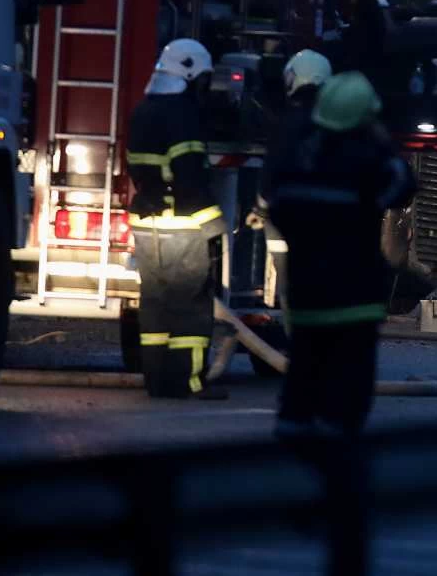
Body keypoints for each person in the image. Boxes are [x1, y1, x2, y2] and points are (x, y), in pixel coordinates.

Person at [266, 72, 415, 436]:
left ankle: (291, 456)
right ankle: (338, 471)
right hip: (355, 299)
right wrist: (384, 145)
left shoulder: (299, 158)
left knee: (302, 380)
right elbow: (403, 187)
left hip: (307, 297)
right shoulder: (369, 160)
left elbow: (277, 206)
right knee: (348, 398)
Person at [125, 39, 230, 399]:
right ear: (189, 74)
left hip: (146, 225)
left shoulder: (143, 111)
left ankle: (156, 381)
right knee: (191, 308)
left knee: (154, 305)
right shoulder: (183, 116)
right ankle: (189, 382)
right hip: (183, 230)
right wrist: (216, 229)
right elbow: (190, 178)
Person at [254, 50, 333, 306]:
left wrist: (260, 209)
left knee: (293, 293)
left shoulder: (287, 124)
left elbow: (271, 174)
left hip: (287, 223)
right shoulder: (337, 125)